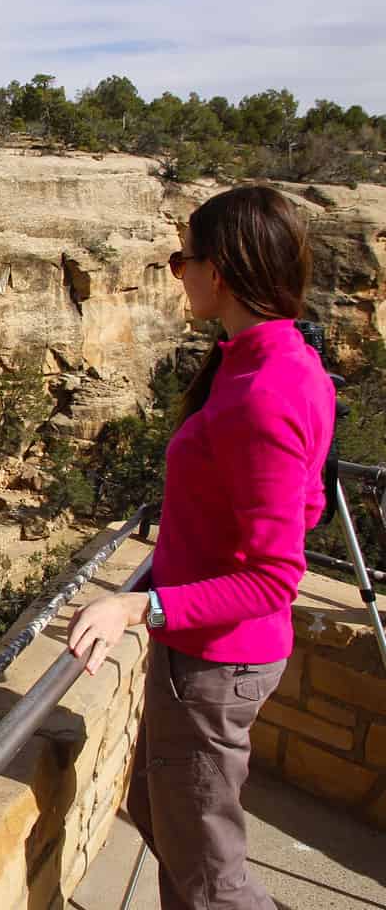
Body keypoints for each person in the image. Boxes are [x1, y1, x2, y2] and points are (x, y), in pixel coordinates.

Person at [67, 184, 336, 910]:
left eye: (182, 258)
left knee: (211, 875)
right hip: (205, 650)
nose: (175, 272)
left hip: (218, 660)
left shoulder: (265, 387)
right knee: (163, 814)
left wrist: (137, 608)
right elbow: (306, 500)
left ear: (217, 272)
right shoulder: (273, 359)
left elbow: (276, 576)